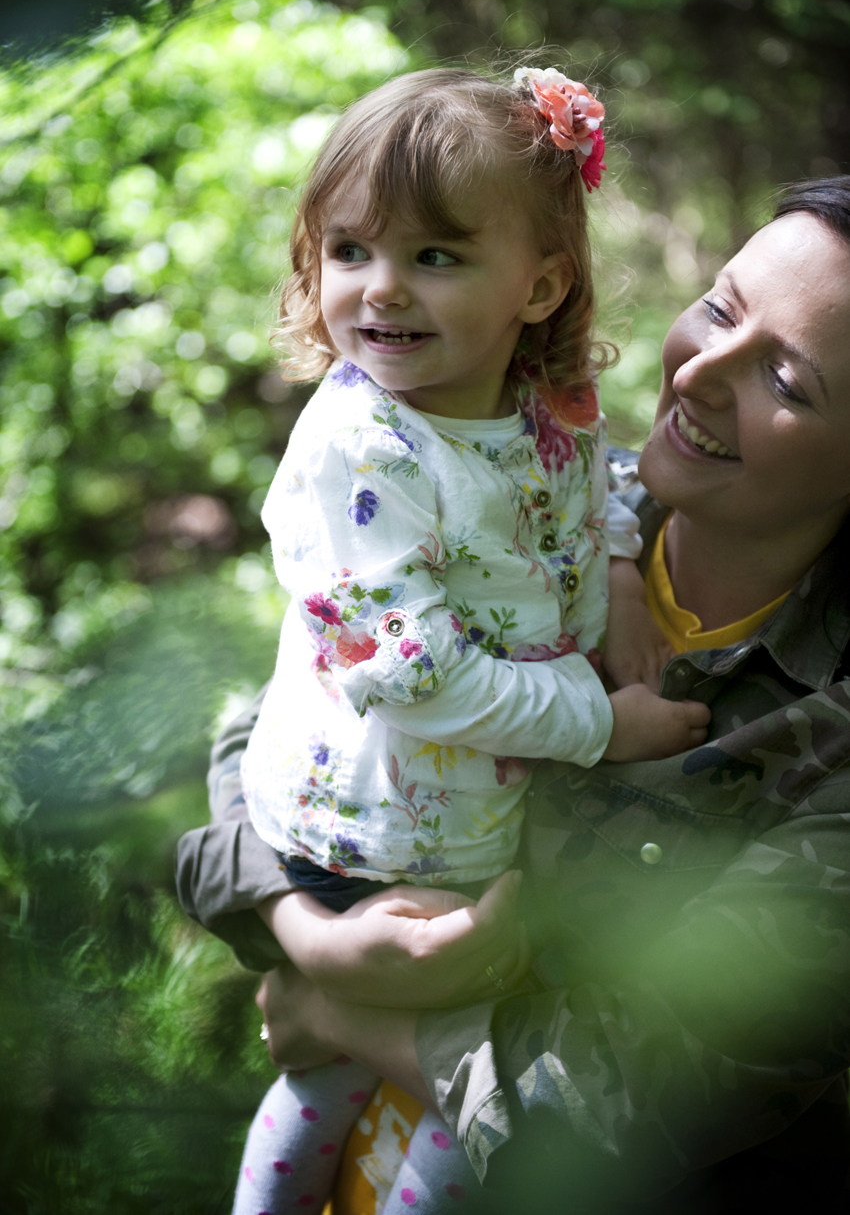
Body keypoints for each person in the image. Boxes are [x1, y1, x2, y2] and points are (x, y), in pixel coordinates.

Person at [178, 175, 850, 1212]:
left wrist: (341, 1014)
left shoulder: (827, 732)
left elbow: (648, 1083)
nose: (698, 371)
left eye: (786, 379)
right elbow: (264, 729)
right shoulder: (535, 485)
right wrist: (309, 931)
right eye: (720, 308)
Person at [211, 64, 710, 1215]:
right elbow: (413, 674)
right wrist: (604, 725)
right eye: (350, 250)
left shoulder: (541, 394)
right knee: (369, 1074)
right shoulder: (361, 448)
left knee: (428, 1078)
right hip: (370, 826)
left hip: (476, 815)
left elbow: (591, 479)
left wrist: (620, 568)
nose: (381, 287)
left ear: (540, 285)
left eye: (434, 254)